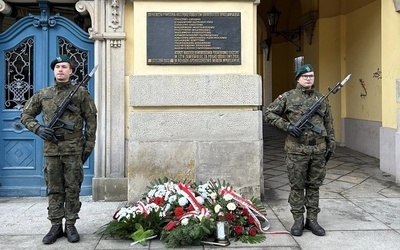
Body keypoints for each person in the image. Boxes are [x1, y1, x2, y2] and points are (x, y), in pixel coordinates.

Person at [21, 55, 97, 244]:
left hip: (73, 150)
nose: (60, 70)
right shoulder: (43, 94)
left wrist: (88, 146)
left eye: (64, 67)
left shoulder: (81, 94)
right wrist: (38, 128)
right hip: (52, 150)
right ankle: (55, 225)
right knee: (54, 189)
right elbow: (26, 115)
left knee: (72, 188)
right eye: (57, 67)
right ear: (53, 71)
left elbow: (91, 120)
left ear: (71, 71)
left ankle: (70, 224)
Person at [264, 64, 335, 237]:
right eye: (305, 76)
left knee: (314, 186)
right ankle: (298, 220)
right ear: (298, 78)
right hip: (296, 150)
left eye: (311, 76)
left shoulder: (322, 98)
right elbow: (269, 113)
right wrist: (287, 126)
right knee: (297, 186)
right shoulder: (288, 97)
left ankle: (312, 220)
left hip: (318, 148)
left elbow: (329, 123)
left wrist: (331, 145)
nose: (309, 78)